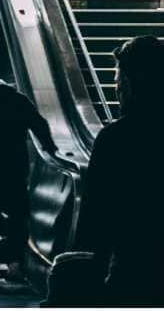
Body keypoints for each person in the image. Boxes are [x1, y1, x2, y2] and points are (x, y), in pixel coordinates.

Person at [74, 35, 164, 306]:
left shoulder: (116, 138)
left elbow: (94, 216)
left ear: (133, 84)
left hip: (132, 273)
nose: (117, 90)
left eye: (119, 82)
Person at [0, 78, 58, 282]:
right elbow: (39, 124)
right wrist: (50, 148)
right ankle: (15, 264)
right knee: (18, 218)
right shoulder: (18, 99)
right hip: (16, 170)